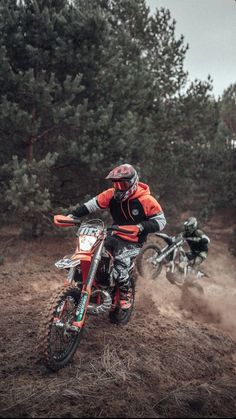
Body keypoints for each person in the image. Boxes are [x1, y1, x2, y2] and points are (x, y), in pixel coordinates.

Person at [68, 163, 166, 310]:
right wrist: (73, 215)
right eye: (116, 184)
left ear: (133, 182)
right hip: (113, 234)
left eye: (123, 183)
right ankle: (87, 284)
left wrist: (140, 227)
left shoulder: (146, 200)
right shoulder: (111, 194)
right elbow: (91, 205)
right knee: (89, 252)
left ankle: (126, 293)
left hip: (133, 240)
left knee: (120, 266)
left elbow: (161, 221)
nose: (120, 187)